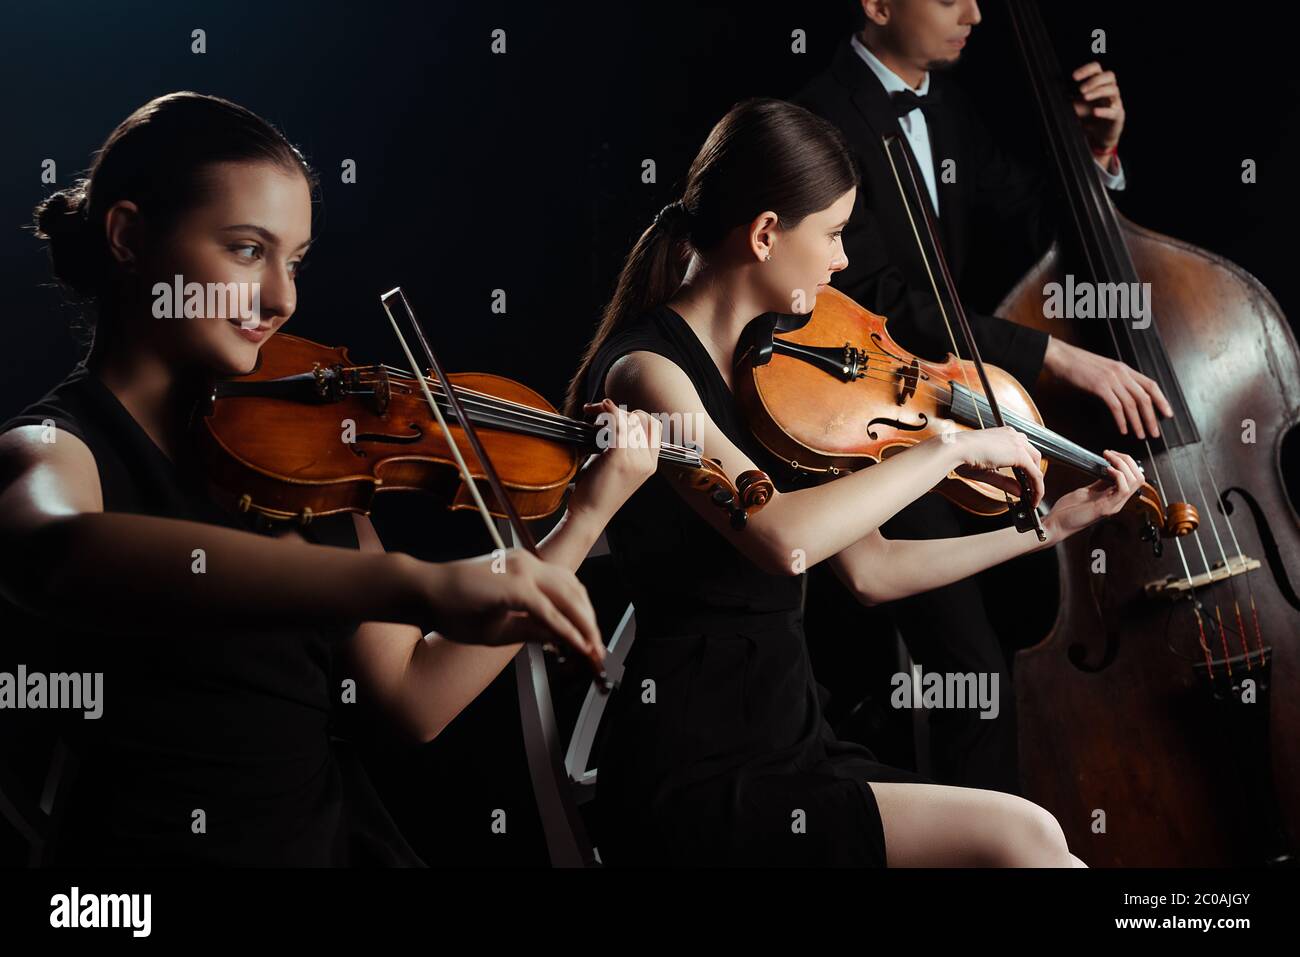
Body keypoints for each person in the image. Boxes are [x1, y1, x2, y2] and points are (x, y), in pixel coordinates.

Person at [0, 91, 662, 866]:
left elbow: (416, 697)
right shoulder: (56, 444)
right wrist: (414, 583)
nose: (283, 298)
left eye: (295, 260)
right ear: (128, 237)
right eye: (247, 249)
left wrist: (584, 515)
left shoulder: (303, 450)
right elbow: (60, 550)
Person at [563, 97, 1144, 866]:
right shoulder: (649, 373)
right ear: (767, 234)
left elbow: (873, 570)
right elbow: (780, 538)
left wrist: (1048, 526)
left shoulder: (771, 379)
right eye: (833, 234)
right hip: (699, 778)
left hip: (796, 746)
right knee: (1027, 839)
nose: (843, 262)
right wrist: (940, 448)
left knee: (1035, 834)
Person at [792, 0, 1173, 792]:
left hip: (965, 414)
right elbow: (880, 299)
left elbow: (1038, 220)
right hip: (872, 427)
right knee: (975, 675)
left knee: (1031, 630)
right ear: (878, 4)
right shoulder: (818, 118)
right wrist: (1053, 357)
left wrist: (1093, 154)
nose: (974, 11)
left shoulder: (950, 106)